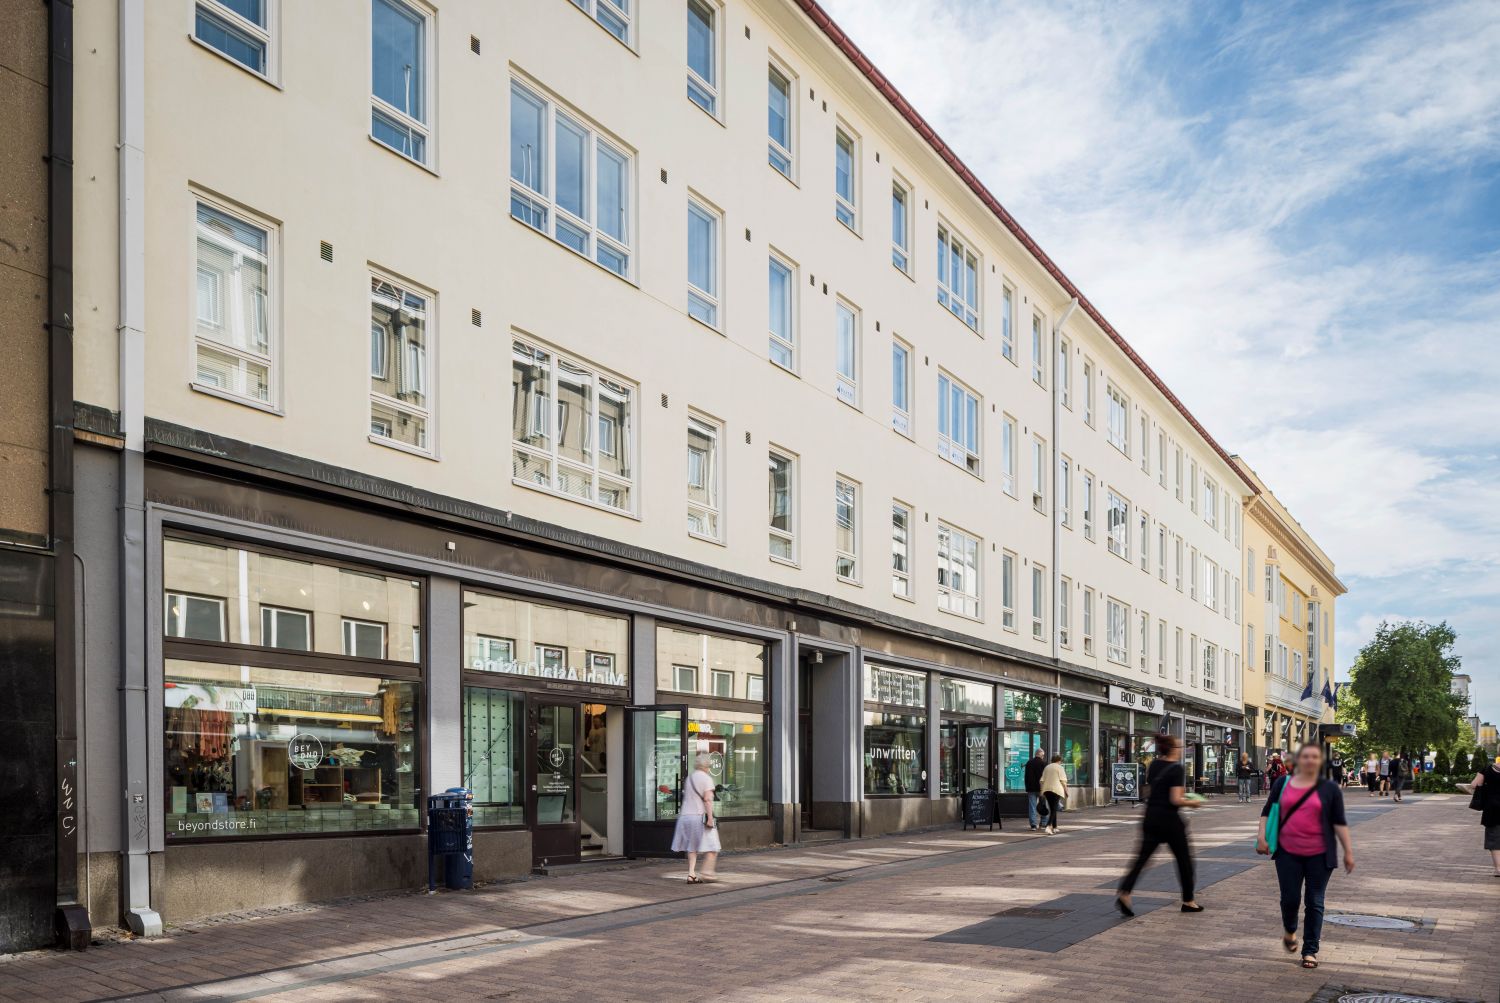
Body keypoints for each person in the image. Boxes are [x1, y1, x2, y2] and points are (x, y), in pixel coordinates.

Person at [1257, 743, 1355, 970]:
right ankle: (1290, 930)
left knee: (1315, 901)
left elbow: (1339, 822)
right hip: (1287, 852)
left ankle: (1310, 950)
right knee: (1290, 899)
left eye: (1315, 757)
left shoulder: (1329, 788)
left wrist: (1348, 851)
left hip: (1320, 854)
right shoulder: (1283, 783)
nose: (1310, 760)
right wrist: (1261, 836)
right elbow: (1267, 811)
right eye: (1306, 756)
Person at [1117, 733, 1204, 916]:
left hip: (1151, 817)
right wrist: (1193, 803)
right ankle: (1188, 901)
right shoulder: (1177, 769)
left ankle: (1125, 892)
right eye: (1181, 747)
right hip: (1170, 821)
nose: (1182, 750)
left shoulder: (1155, 765)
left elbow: (1153, 790)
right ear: (1173, 749)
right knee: (1184, 861)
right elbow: (1175, 799)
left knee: (1142, 859)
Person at [671, 753, 721, 883]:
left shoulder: (690, 778)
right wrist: (710, 818)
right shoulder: (707, 779)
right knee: (713, 845)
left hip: (685, 817)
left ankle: (691, 874)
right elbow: (708, 800)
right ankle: (707, 872)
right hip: (699, 817)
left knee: (692, 847)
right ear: (706, 766)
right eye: (709, 766)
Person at [1471, 759, 1500, 877]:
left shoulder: (1487, 769)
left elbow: (1474, 785)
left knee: (1494, 838)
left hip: (1492, 809)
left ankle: (1498, 869)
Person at [1040, 754, 1069, 834]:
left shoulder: (1047, 767)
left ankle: (1055, 827)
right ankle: (1048, 826)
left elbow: (1042, 780)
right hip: (1056, 790)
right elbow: (1063, 781)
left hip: (1047, 790)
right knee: (1054, 809)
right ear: (1059, 760)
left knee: (1052, 808)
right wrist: (1066, 791)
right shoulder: (1060, 768)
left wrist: (1041, 791)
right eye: (1061, 761)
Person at [1024, 748, 1048, 831]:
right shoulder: (1044, 764)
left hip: (1031, 789)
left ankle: (1033, 825)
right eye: (1043, 755)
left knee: (1032, 807)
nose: (1043, 756)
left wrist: (1027, 787)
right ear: (1041, 754)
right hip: (1041, 789)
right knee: (1043, 805)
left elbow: (1026, 777)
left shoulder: (1029, 763)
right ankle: (1044, 822)